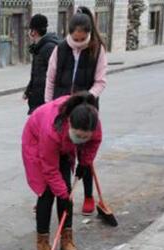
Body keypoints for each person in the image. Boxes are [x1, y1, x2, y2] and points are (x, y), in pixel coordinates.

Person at [22, 92, 102, 250]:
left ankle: (66, 239)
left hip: (64, 144)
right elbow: (50, 169)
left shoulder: (92, 122)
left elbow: (94, 142)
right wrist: (63, 194)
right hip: (37, 142)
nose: (81, 140)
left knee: (66, 189)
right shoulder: (52, 129)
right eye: (78, 136)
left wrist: (84, 163)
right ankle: (42, 241)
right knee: (47, 191)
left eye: (84, 137)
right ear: (69, 123)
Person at [45, 6, 107, 215]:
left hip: (87, 108)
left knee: (85, 154)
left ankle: (88, 195)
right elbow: (51, 79)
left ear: (88, 34)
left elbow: (100, 81)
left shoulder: (97, 49)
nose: (79, 42)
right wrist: (48, 107)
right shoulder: (60, 49)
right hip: (62, 108)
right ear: (70, 33)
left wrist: (88, 97)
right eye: (75, 38)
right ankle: (55, 195)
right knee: (60, 153)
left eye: (82, 39)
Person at [23, 14, 59, 114]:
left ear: (34, 32)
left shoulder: (49, 48)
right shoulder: (38, 47)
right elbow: (36, 74)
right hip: (37, 99)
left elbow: (55, 75)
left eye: (30, 30)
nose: (28, 33)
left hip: (44, 101)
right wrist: (28, 91)